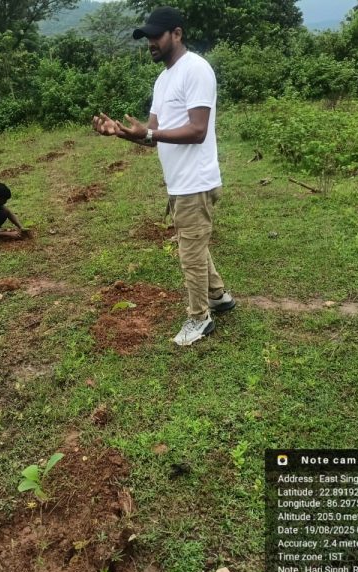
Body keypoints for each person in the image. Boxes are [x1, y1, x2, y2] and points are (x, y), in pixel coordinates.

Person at [92, 6, 235, 346]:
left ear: (177, 34)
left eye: (156, 36)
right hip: (179, 182)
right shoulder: (163, 80)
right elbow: (152, 135)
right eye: (147, 38)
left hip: (196, 181)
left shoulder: (196, 69)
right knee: (192, 242)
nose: (151, 43)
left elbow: (198, 130)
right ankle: (218, 296)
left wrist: (150, 133)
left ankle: (199, 319)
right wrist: (121, 132)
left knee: (190, 253)